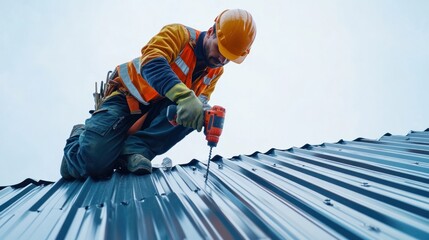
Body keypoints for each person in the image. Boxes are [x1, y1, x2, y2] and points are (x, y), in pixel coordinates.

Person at [60, 9, 257, 180]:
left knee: (196, 111)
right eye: (220, 50)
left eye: (229, 58)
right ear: (212, 32)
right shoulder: (179, 34)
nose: (221, 60)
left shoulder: (215, 72)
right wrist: (185, 97)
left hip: (156, 115)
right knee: (94, 164)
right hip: (125, 100)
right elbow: (151, 63)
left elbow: (199, 103)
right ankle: (78, 140)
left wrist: (205, 117)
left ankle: (135, 150)